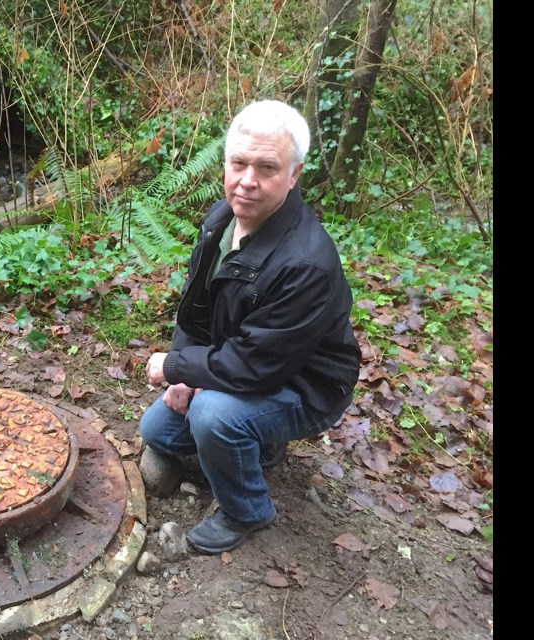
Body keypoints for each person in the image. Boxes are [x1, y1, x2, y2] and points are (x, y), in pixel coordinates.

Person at [140, 99, 361, 554]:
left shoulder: (306, 263)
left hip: (307, 388)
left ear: (294, 174)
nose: (247, 181)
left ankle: (247, 510)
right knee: (157, 431)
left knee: (213, 415)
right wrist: (186, 374)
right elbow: (195, 310)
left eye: (267, 167)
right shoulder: (222, 220)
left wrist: (179, 367)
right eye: (238, 163)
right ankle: (262, 444)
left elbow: (256, 367)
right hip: (247, 363)